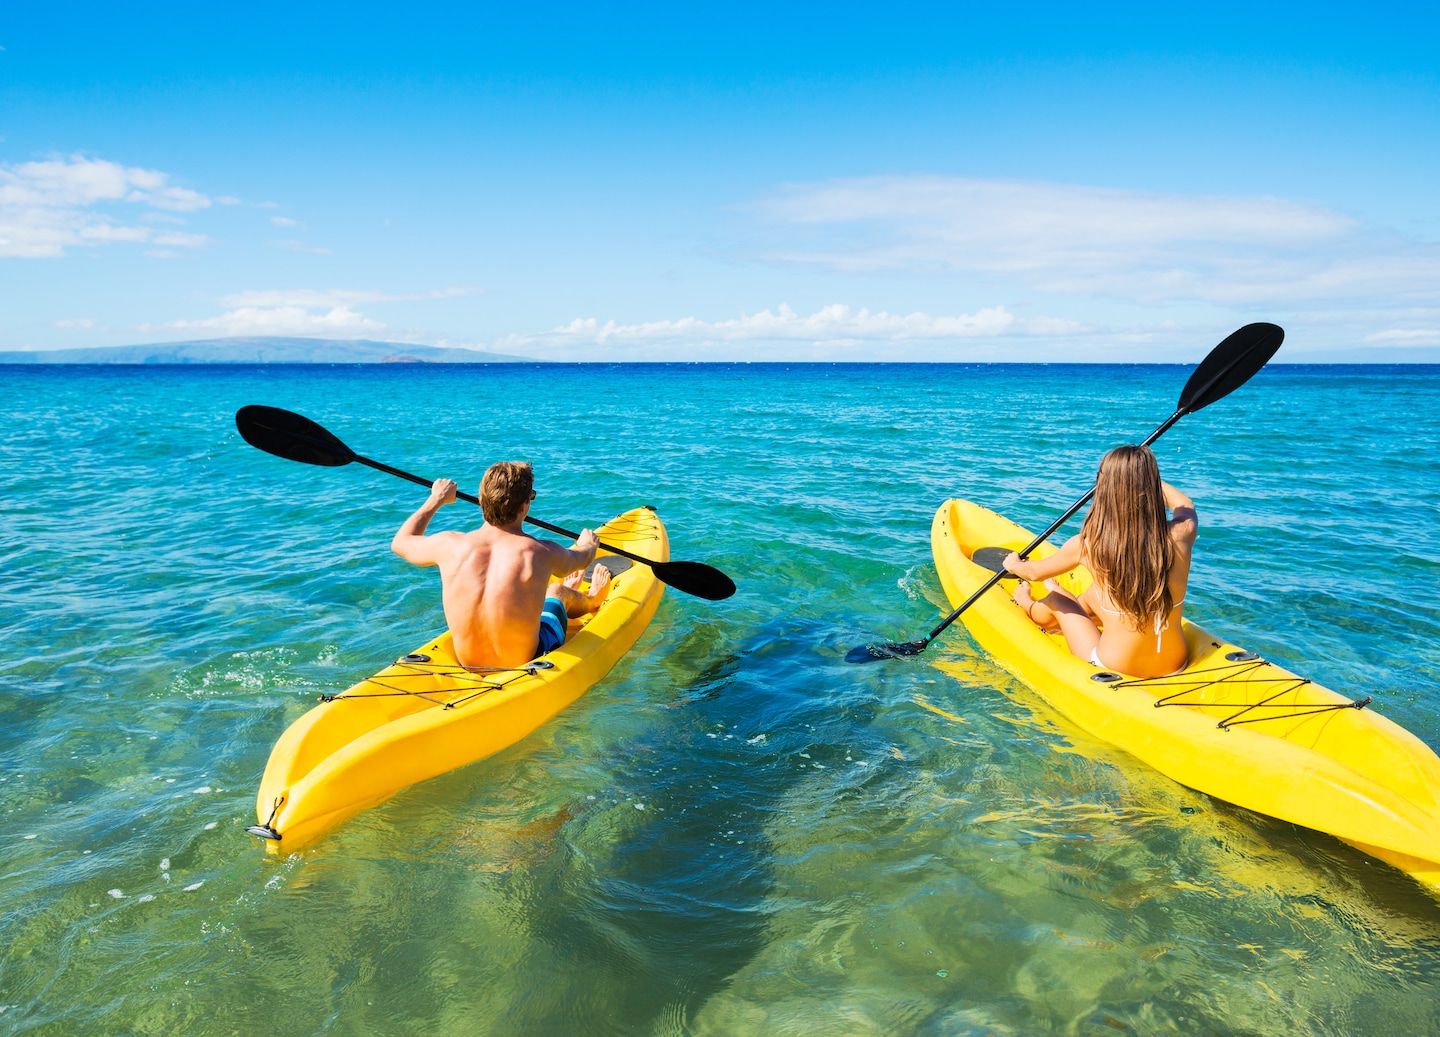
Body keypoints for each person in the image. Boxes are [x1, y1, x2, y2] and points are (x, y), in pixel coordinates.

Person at [390, 461, 611, 669]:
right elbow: (581, 559)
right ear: (524, 506)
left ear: (481, 500)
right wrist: (588, 544)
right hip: (528, 659)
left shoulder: (450, 545)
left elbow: (400, 543)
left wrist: (436, 499)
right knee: (556, 590)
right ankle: (592, 599)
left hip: (469, 663)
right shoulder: (540, 552)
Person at [1004, 444, 1197, 678]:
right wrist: (1142, 475)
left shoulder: (1089, 544)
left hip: (1114, 667)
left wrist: (1014, 564)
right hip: (1175, 664)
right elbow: (1184, 504)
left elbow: (1034, 573)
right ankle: (1081, 607)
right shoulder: (1183, 533)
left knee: (1058, 599)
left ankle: (1029, 604)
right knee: (1095, 593)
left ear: (1105, 487)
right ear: (1152, 484)